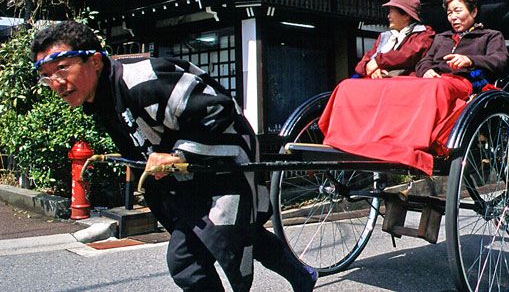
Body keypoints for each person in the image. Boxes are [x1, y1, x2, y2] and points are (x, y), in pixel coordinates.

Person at [30, 21, 316, 292]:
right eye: (47, 75)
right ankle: (302, 276)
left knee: (186, 262)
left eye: (63, 68)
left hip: (222, 163)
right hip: (189, 175)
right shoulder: (102, 96)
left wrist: (177, 153)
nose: (56, 82)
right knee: (240, 233)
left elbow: (219, 108)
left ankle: (301, 276)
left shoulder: (141, 80)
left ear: (94, 60)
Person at [415, 0, 509, 92]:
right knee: (399, 82)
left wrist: (470, 60)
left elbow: (499, 61)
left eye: (457, 11)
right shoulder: (441, 37)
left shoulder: (490, 36)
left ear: (473, 12)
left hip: (469, 82)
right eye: (449, 13)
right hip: (436, 80)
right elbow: (424, 61)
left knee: (438, 86)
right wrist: (426, 70)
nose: (453, 17)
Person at [355, 0, 435, 78]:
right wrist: (373, 69)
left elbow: (406, 55)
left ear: (406, 16)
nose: (388, 16)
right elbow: (362, 63)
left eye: (391, 11)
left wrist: (378, 62)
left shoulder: (423, 34)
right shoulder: (384, 37)